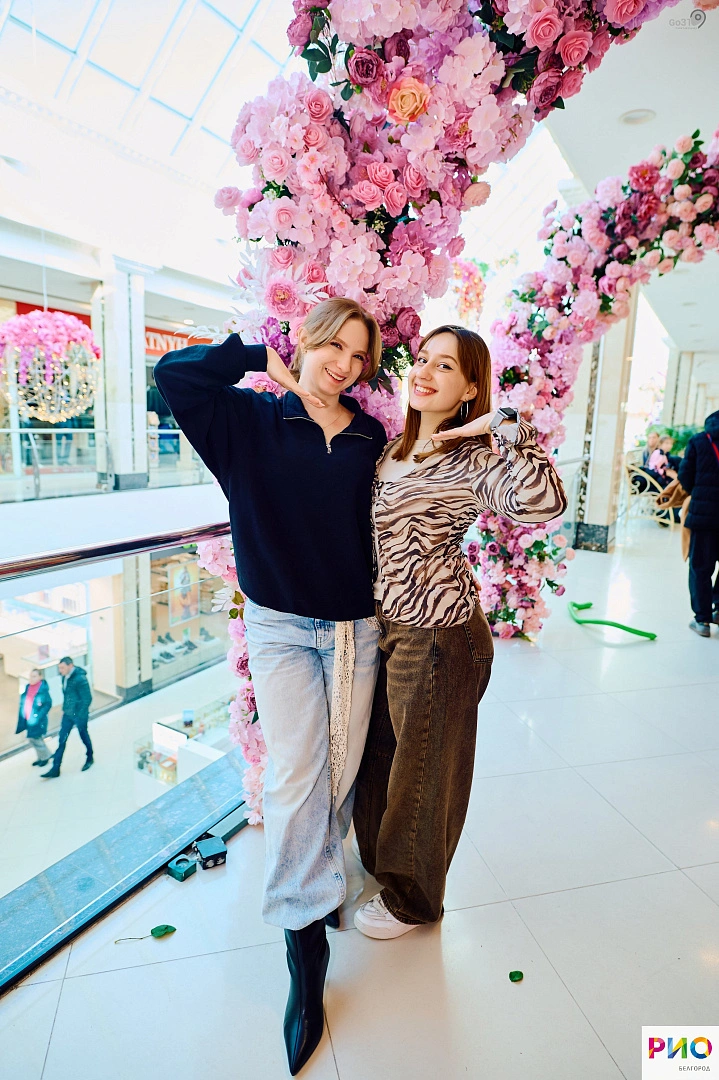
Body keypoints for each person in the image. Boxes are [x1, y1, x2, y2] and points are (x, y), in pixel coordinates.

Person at [154, 297, 387, 1076]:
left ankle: (318, 890)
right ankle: (303, 945)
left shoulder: (367, 434)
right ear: (307, 341)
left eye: (358, 356)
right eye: (334, 347)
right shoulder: (247, 420)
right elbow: (173, 375)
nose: (344, 365)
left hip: (354, 628)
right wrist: (257, 358)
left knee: (335, 776)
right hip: (281, 628)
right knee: (294, 774)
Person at [353, 325, 567, 940]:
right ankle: (383, 867)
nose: (424, 371)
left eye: (445, 366)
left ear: (470, 387)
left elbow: (544, 503)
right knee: (380, 757)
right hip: (385, 627)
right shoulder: (391, 448)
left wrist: (508, 427)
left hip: (439, 634)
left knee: (423, 770)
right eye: (423, 359)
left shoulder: (472, 459)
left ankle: (413, 900)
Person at [678, 410, 719, 637]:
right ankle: (718, 609)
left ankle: (702, 620)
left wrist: (700, 492)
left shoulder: (698, 441)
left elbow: (685, 475)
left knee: (701, 567)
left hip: (704, 515)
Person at [41, 657, 94, 777]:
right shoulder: (65, 677)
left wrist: (79, 715)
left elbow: (87, 699)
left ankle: (90, 757)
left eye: (62, 668)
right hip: (68, 714)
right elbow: (67, 695)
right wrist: (65, 709)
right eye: (59, 668)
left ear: (70, 666)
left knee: (84, 736)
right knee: (62, 740)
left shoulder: (80, 679)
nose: (60, 671)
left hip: (78, 715)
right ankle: (55, 768)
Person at [16, 668, 52, 766]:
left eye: (34, 676)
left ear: (40, 677)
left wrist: (38, 715)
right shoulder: (28, 687)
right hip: (28, 720)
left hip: (37, 720)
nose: (31, 678)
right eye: (31, 676)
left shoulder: (43, 690)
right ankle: (42, 756)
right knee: (33, 739)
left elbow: (48, 704)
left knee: (36, 739)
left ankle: (45, 757)